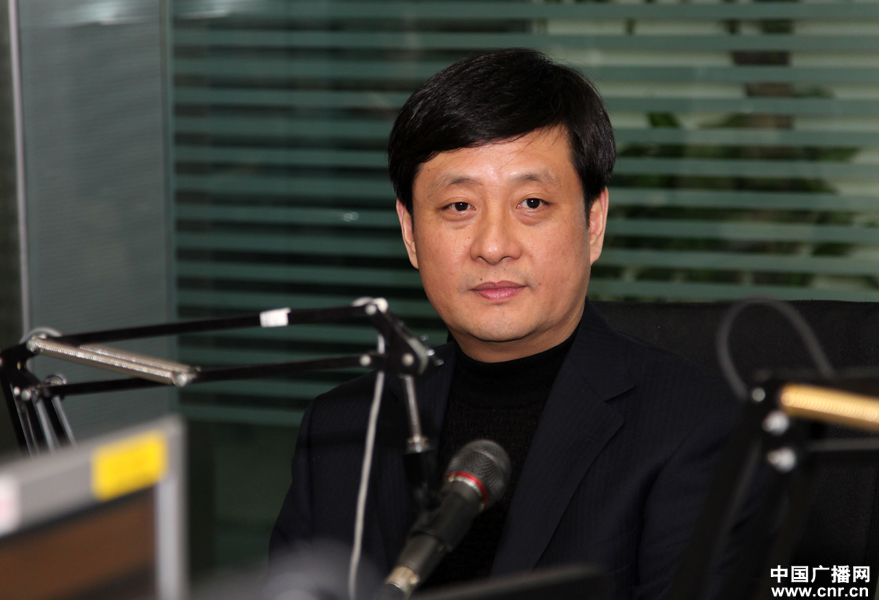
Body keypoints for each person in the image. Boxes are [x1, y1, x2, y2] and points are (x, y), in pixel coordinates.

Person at [270, 48, 745, 599]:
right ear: (410, 232)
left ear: (593, 223)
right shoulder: (342, 429)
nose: (494, 246)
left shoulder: (698, 430)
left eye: (532, 203)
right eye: (459, 207)